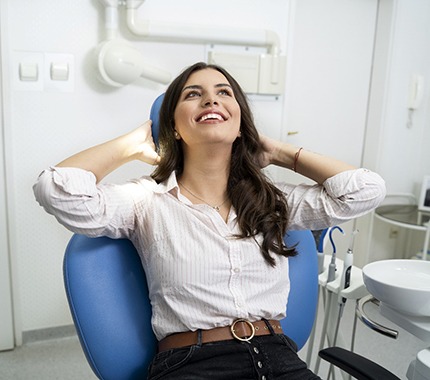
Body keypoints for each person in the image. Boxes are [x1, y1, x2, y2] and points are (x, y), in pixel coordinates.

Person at [33, 62, 386, 380]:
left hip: (281, 360)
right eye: (193, 94)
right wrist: (132, 144)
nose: (211, 100)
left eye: (223, 93)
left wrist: (279, 152)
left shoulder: (274, 201)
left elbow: (365, 190)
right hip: (193, 365)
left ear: (239, 122)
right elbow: (56, 190)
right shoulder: (145, 200)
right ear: (173, 125)